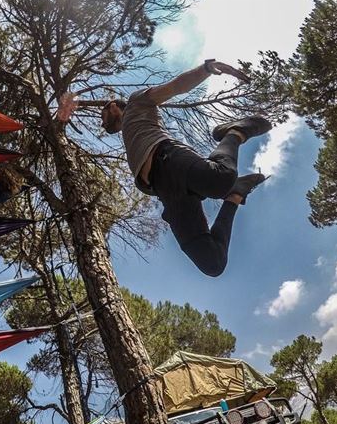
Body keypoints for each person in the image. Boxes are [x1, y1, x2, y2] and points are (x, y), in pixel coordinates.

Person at [63, 59, 272, 277]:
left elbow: (174, 87)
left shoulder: (137, 102)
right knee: (212, 263)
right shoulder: (128, 133)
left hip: (168, 158)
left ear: (113, 106)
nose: (102, 122)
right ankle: (236, 194)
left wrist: (206, 69)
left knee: (220, 179)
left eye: (103, 115)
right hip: (165, 191)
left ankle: (235, 132)